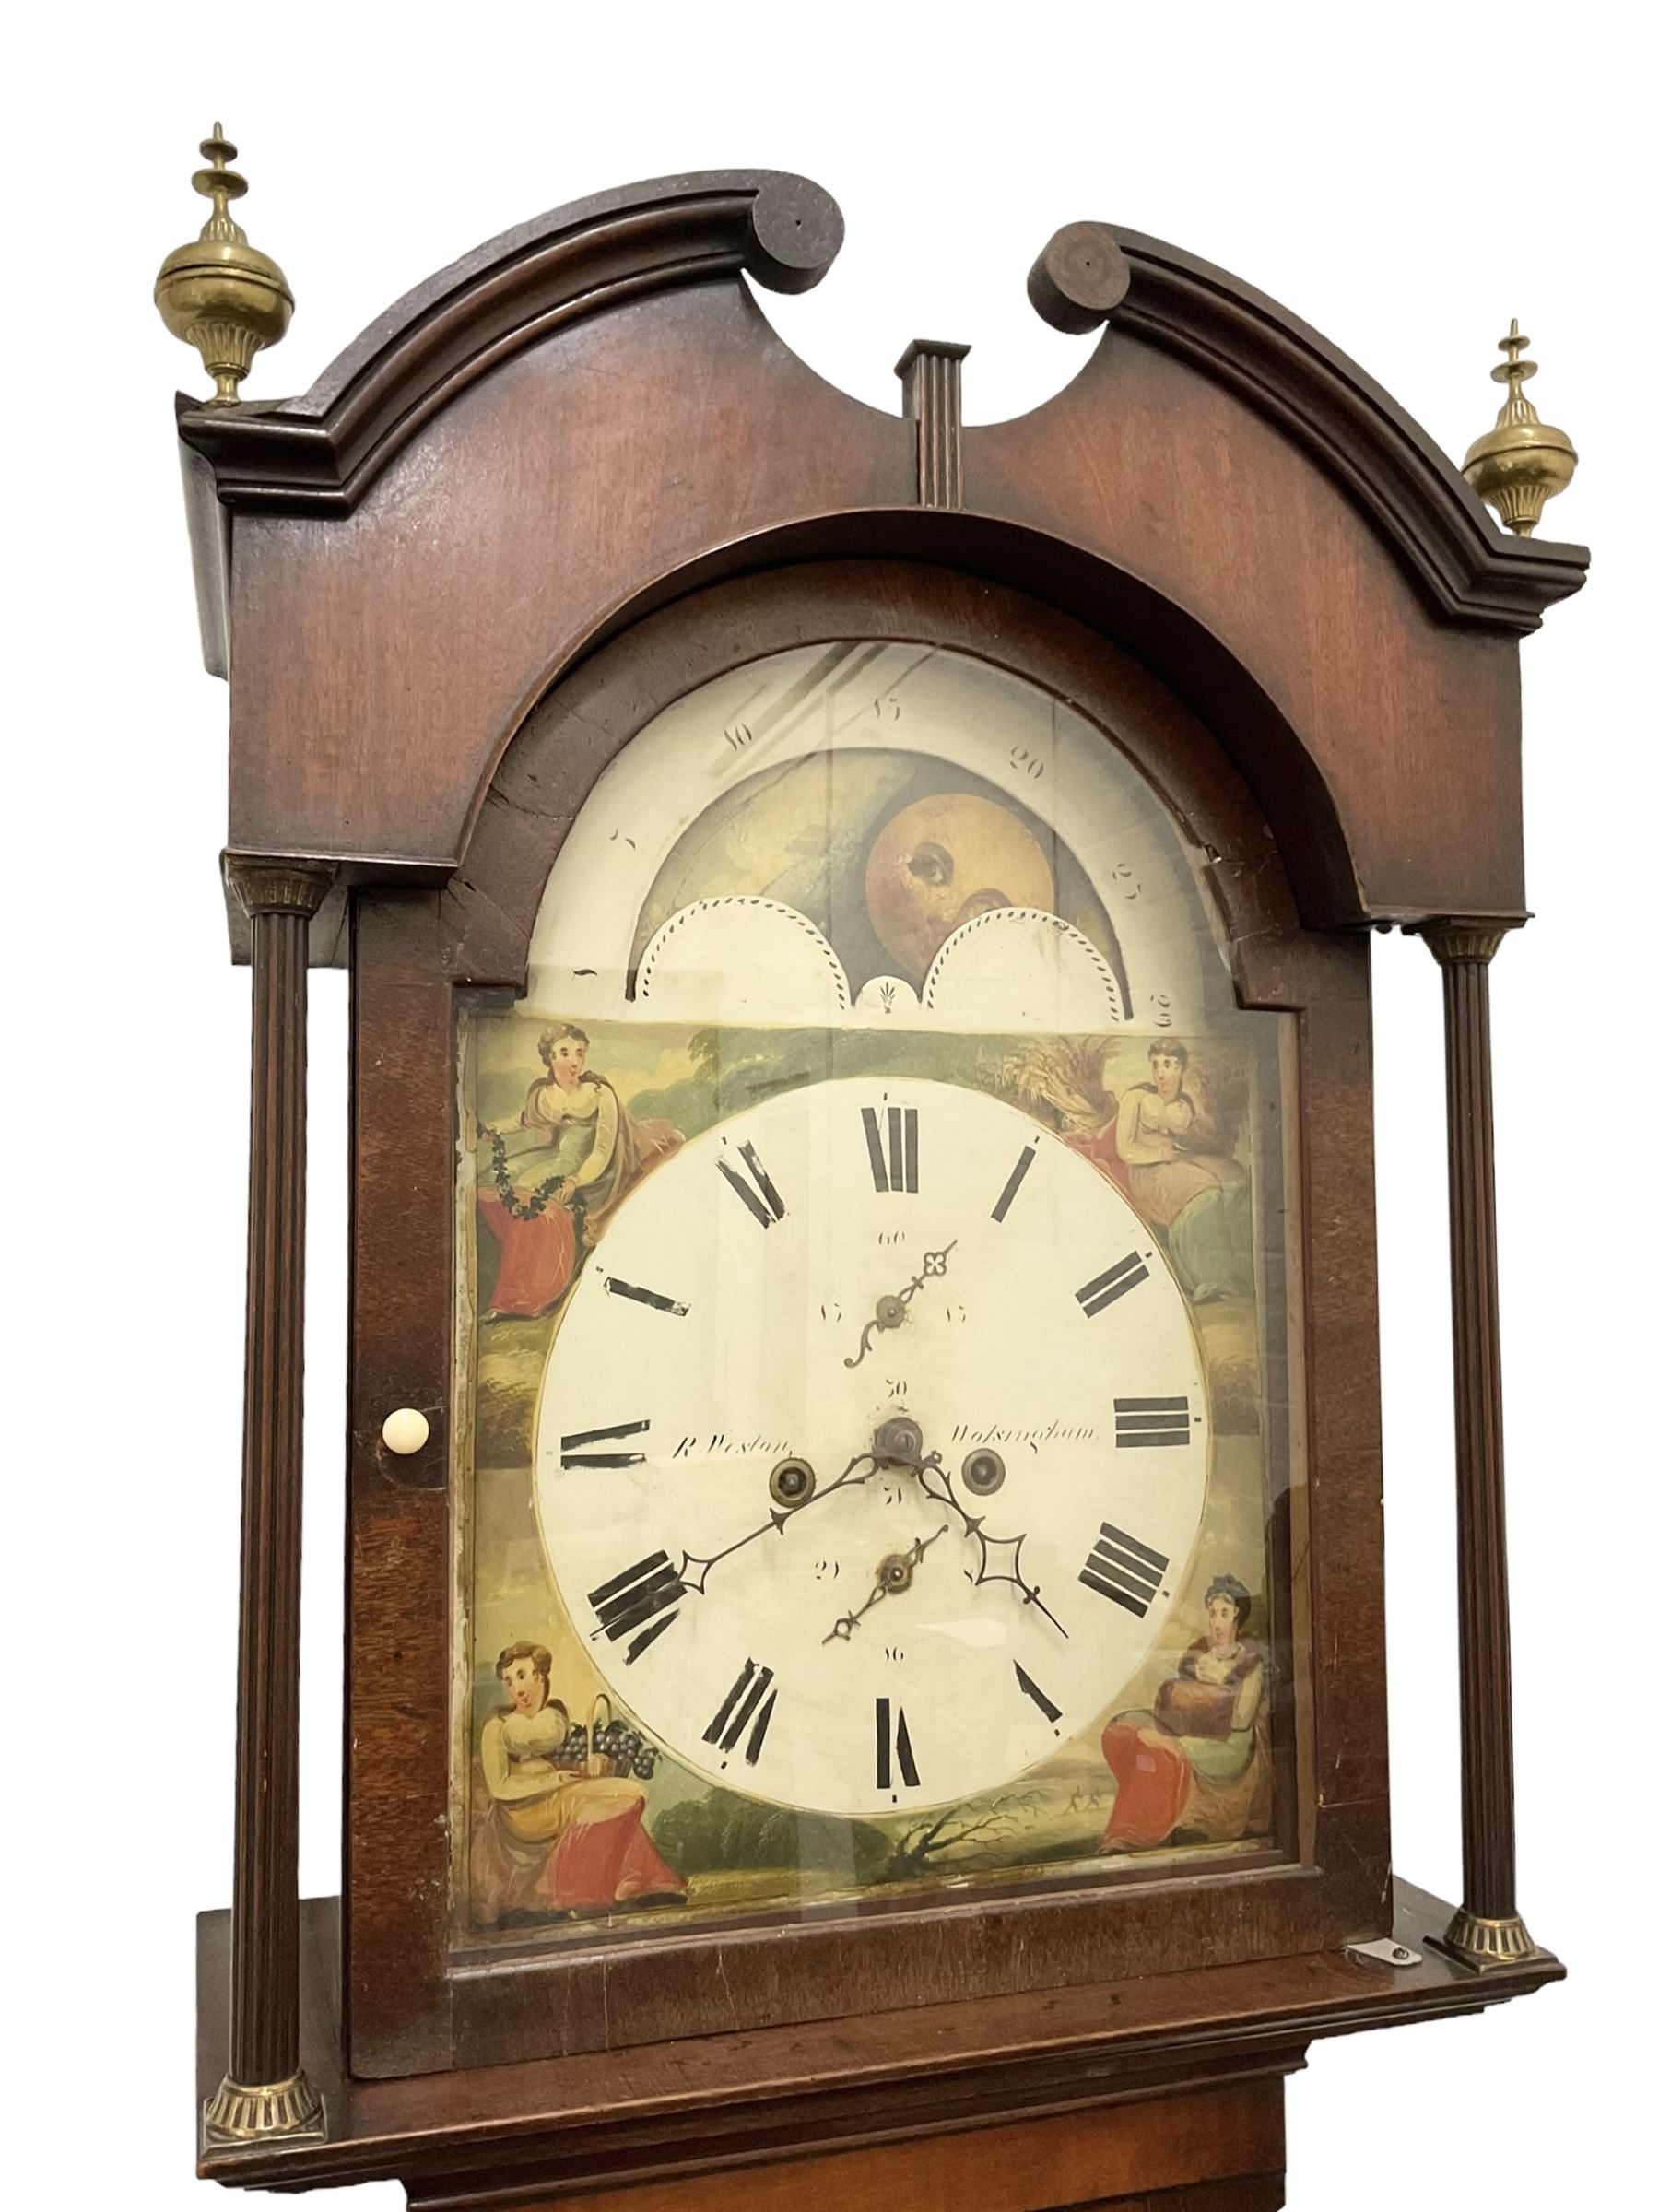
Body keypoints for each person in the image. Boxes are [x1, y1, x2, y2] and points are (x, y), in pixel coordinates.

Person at [470, 1641, 684, 1926]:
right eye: (508, 1681)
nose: (515, 1688)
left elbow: (562, 1762)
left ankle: (634, 1882)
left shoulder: (555, 1718)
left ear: (540, 1674)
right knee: (628, 1794)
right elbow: (501, 1788)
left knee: (618, 1798)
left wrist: (588, 1764)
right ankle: (576, 1892)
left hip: (556, 1796)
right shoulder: (498, 1725)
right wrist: (553, 1779)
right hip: (522, 1813)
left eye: (522, 1675)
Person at [477, 1023, 681, 1319]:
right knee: (500, 1180)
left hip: (596, 1171)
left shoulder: (600, 1094)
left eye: (579, 1053)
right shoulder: (542, 1094)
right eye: (564, 1053)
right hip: (556, 1158)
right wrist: (490, 1129)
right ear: (549, 1057)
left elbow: (602, 1150)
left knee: (536, 1194)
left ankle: (525, 1297)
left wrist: (577, 1179)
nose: (574, 1061)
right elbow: (523, 1121)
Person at [1098, 1575, 1271, 1852]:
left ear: (1237, 1615)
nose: (1216, 1622)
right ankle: (1134, 1823)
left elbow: (1241, 1719)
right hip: (1188, 1729)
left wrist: (1217, 1684)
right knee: (1127, 1728)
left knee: (1161, 1749)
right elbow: (1177, 1702)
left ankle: (1135, 1834)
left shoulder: (1249, 1663)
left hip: (1227, 1743)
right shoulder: (1198, 1656)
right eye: (1212, 1613)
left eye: (1224, 1613)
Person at [1112, 1040, 1253, 1301]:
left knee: (1233, 1181)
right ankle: (1206, 1280)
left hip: (1175, 1162)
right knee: (1206, 1193)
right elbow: (1125, 1150)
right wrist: (1157, 1154)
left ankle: (1240, 1273)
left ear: (1181, 1068)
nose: (1160, 1073)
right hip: (1148, 1173)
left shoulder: (1183, 1104)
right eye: (1155, 1065)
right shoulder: (1136, 1098)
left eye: (1168, 1065)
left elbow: (1185, 1142)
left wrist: (1181, 1146)